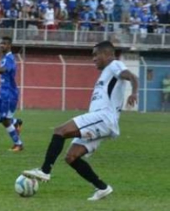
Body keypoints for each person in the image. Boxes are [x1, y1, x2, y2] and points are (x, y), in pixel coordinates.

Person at [23, 41, 139, 201]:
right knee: (71, 157)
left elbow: (131, 76)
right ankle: (102, 188)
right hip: (101, 120)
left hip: (103, 117)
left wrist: (134, 93)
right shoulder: (106, 72)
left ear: (107, 54)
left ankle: (45, 171)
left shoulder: (114, 65)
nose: (93, 59)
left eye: (95, 54)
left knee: (60, 131)